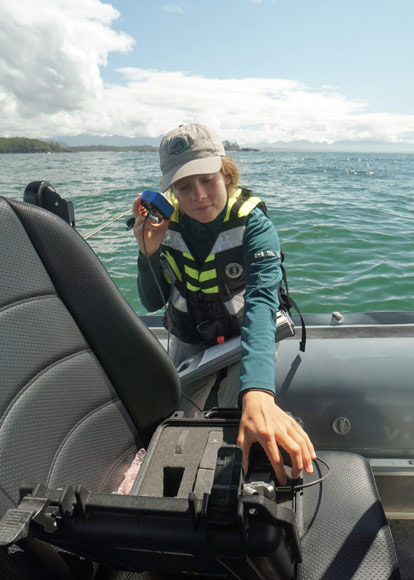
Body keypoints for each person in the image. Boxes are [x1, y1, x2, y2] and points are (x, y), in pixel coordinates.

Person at [132, 123, 315, 484]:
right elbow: (152, 301)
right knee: (172, 427)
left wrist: (259, 390)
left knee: (237, 415)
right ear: (170, 191)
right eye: (184, 186)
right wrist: (147, 254)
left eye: (208, 179)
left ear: (226, 173)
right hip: (188, 338)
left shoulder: (254, 224)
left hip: (241, 339)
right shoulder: (163, 225)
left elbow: (262, 301)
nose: (199, 195)